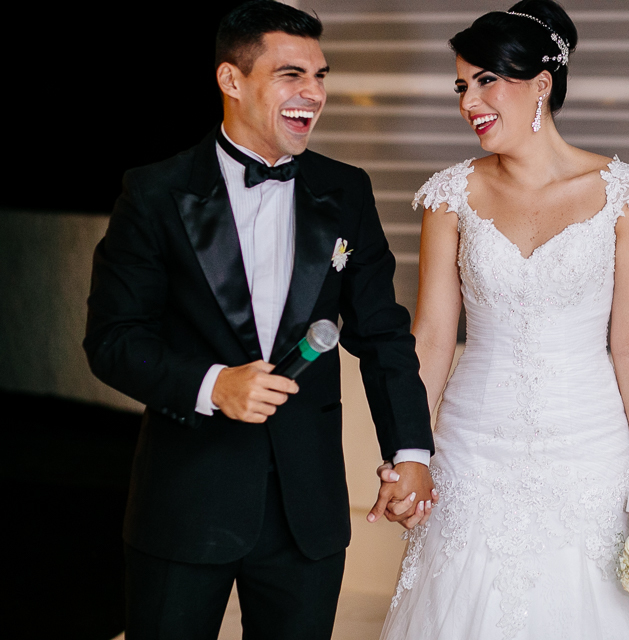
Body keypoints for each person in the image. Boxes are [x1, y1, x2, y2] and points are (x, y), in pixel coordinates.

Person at [83, 2, 436, 638]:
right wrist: (215, 384)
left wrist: (409, 450)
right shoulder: (155, 192)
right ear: (231, 80)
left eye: (321, 76)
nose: (313, 93)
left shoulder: (346, 191)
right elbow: (113, 340)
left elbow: (382, 332)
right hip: (186, 502)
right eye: (291, 75)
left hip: (309, 511)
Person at [378, 1, 629, 638]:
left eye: (485, 81)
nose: (467, 102)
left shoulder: (624, 196)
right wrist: (408, 452)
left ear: (541, 84)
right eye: (460, 84)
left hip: (587, 446)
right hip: (473, 446)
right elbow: (431, 337)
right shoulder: (450, 195)